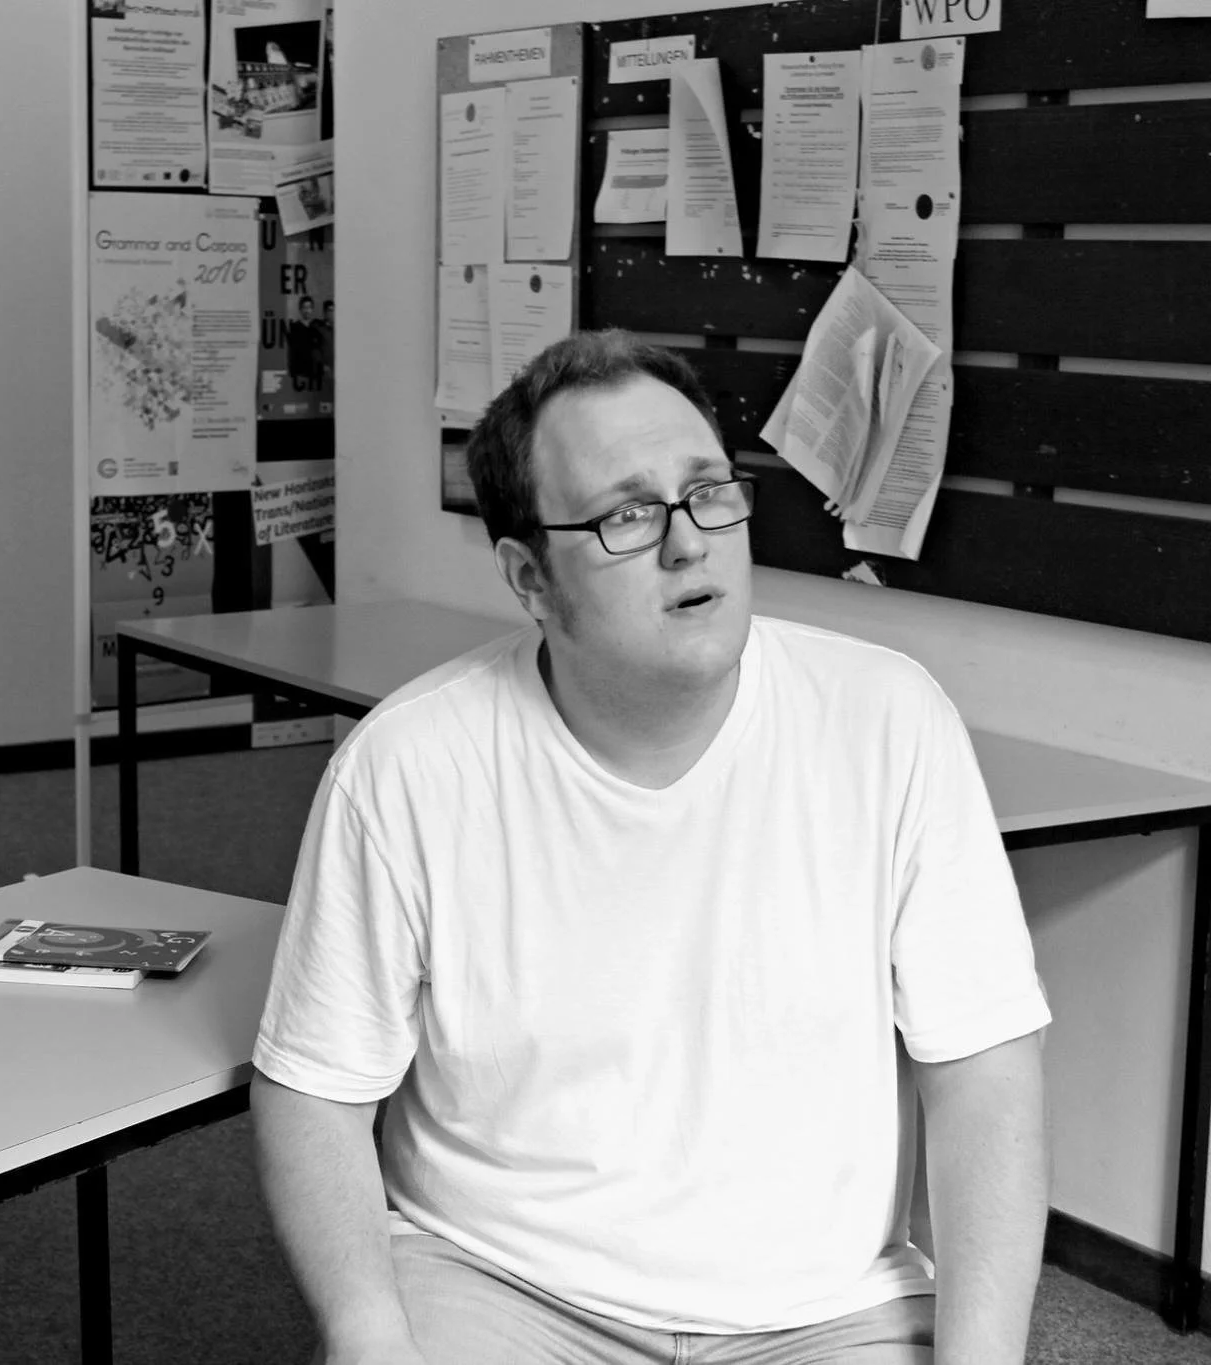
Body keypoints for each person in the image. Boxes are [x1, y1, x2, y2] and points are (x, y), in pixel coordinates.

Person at [251, 330, 1050, 1364]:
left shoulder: (887, 721)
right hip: (499, 1280)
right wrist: (367, 1333)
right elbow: (312, 1088)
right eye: (626, 513)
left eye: (707, 491)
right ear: (527, 576)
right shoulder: (407, 767)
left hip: (820, 1307)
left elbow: (982, 1068)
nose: (687, 542)